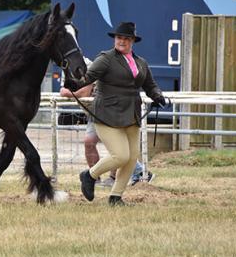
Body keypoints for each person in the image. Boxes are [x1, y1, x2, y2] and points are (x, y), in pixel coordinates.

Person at [66, 22, 168, 206]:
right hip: (107, 114)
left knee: (131, 158)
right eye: (119, 37)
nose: (122, 41)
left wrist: (158, 96)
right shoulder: (106, 58)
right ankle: (89, 175)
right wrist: (75, 83)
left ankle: (115, 197)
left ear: (132, 41)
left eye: (126, 38)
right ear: (115, 39)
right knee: (120, 156)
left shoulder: (140, 62)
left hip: (132, 115)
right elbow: (89, 77)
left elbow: (150, 85)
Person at [60, 84, 155, 187]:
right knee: (90, 142)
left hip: (108, 111)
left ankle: (135, 172)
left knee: (116, 149)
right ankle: (94, 177)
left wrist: (68, 93)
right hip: (95, 114)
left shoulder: (93, 70)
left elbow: (83, 92)